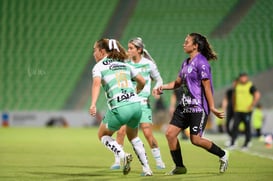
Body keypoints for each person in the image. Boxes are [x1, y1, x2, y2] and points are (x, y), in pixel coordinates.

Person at [154, 33, 229, 175]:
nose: (184, 44)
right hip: (184, 106)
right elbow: (177, 83)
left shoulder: (202, 63)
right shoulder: (185, 62)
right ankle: (180, 167)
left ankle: (223, 154)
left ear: (195, 46)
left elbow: (207, 87)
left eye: (186, 42)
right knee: (170, 134)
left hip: (198, 107)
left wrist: (212, 107)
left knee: (196, 140)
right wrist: (162, 87)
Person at [89, 38, 152, 176]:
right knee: (134, 137)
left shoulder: (99, 66)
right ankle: (147, 169)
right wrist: (137, 92)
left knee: (103, 135)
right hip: (136, 106)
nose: (94, 53)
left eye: (95, 50)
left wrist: (93, 103)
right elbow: (142, 81)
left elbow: (96, 85)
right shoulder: (124, 64)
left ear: (102, 51)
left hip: (119, 107)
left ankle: (122, 155)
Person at [110, 37, 166, 171]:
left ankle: (159, 161)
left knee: (147, 133)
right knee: (121, 131)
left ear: (139, 50)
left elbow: (159, 80)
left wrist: (156, 88)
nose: (128, 50)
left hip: (143, 103)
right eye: (128, 48)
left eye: (131, 48)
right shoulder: (126, 63)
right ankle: (118, 160)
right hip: (128, 101)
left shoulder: (149, 64)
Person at [229, 72, 261, 150]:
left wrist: (252, 105)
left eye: (244, 77)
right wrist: (234, 105)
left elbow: (257, 95)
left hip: (247, 111)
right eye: (242, 77)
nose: (243, 78)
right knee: (235, 126)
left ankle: (247, 143)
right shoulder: (237, 86)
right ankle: (233, 143)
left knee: (247, 127)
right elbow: (234, 96)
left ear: (247, 77)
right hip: (238, 110)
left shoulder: (250, 86)